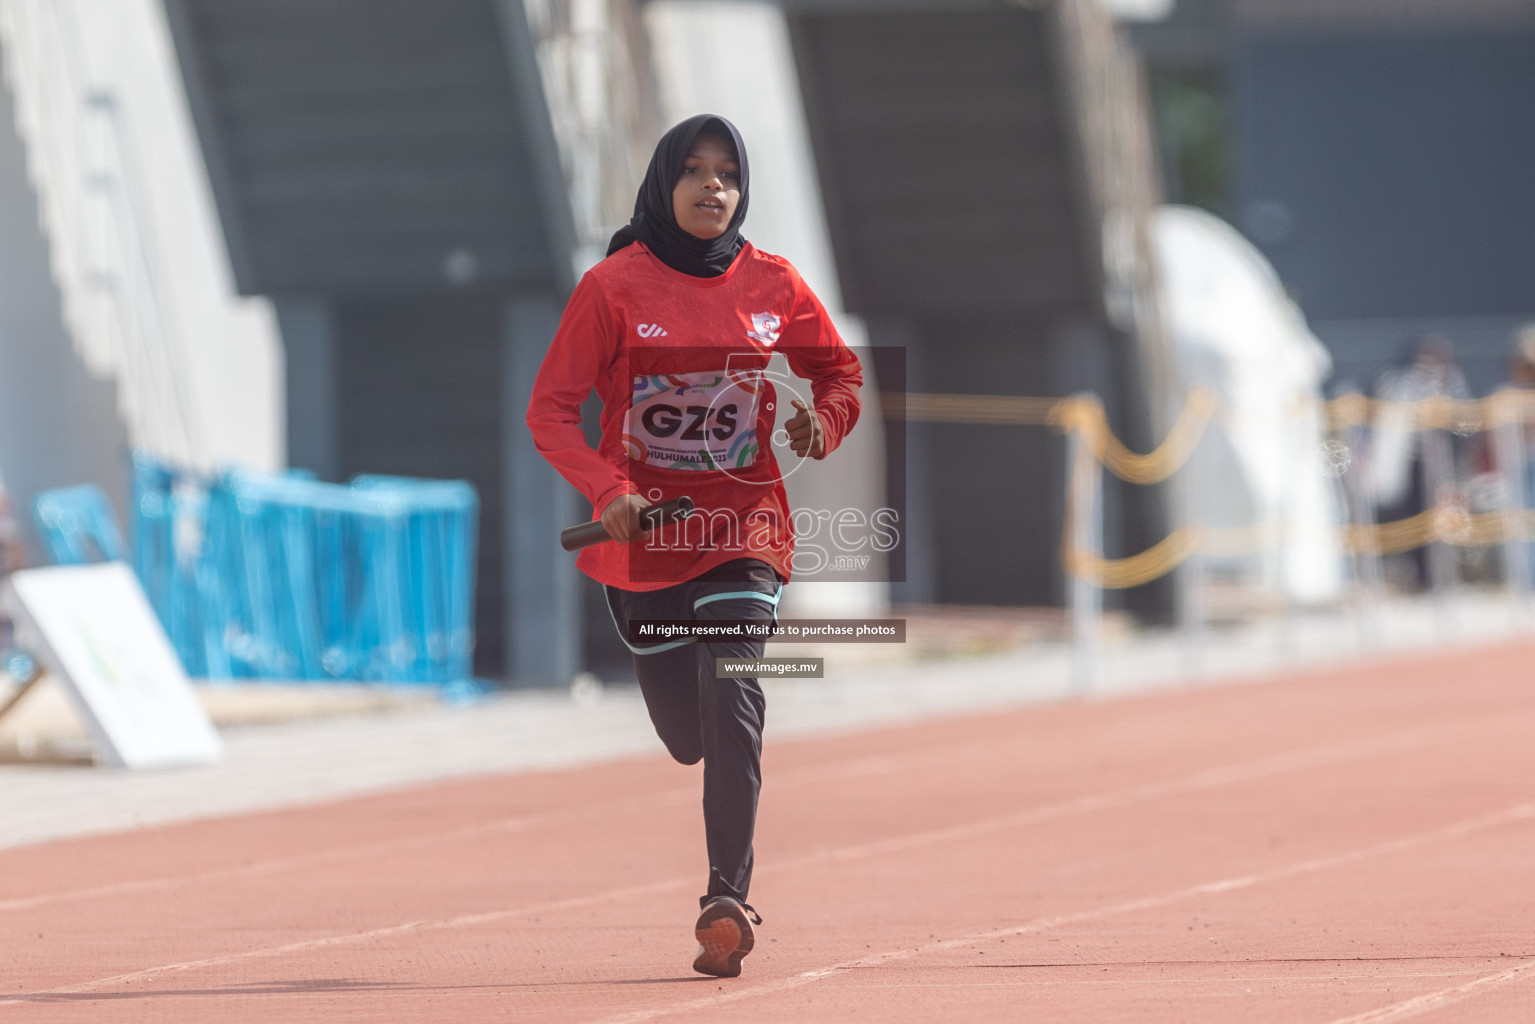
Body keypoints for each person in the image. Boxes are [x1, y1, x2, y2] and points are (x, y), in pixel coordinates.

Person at [525, 114, 862, 977]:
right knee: (688, 733)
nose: (714, 188)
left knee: (735, 679)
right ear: (663, 185)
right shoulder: (611, 288)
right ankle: (709, 778)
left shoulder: (773, 284)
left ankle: (726, 897)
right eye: (695, 172)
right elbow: (550, 411)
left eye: (728, 175)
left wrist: (817, 425)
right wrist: (611, 491)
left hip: (743, 524)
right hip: (642, 541)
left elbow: (840, 373)